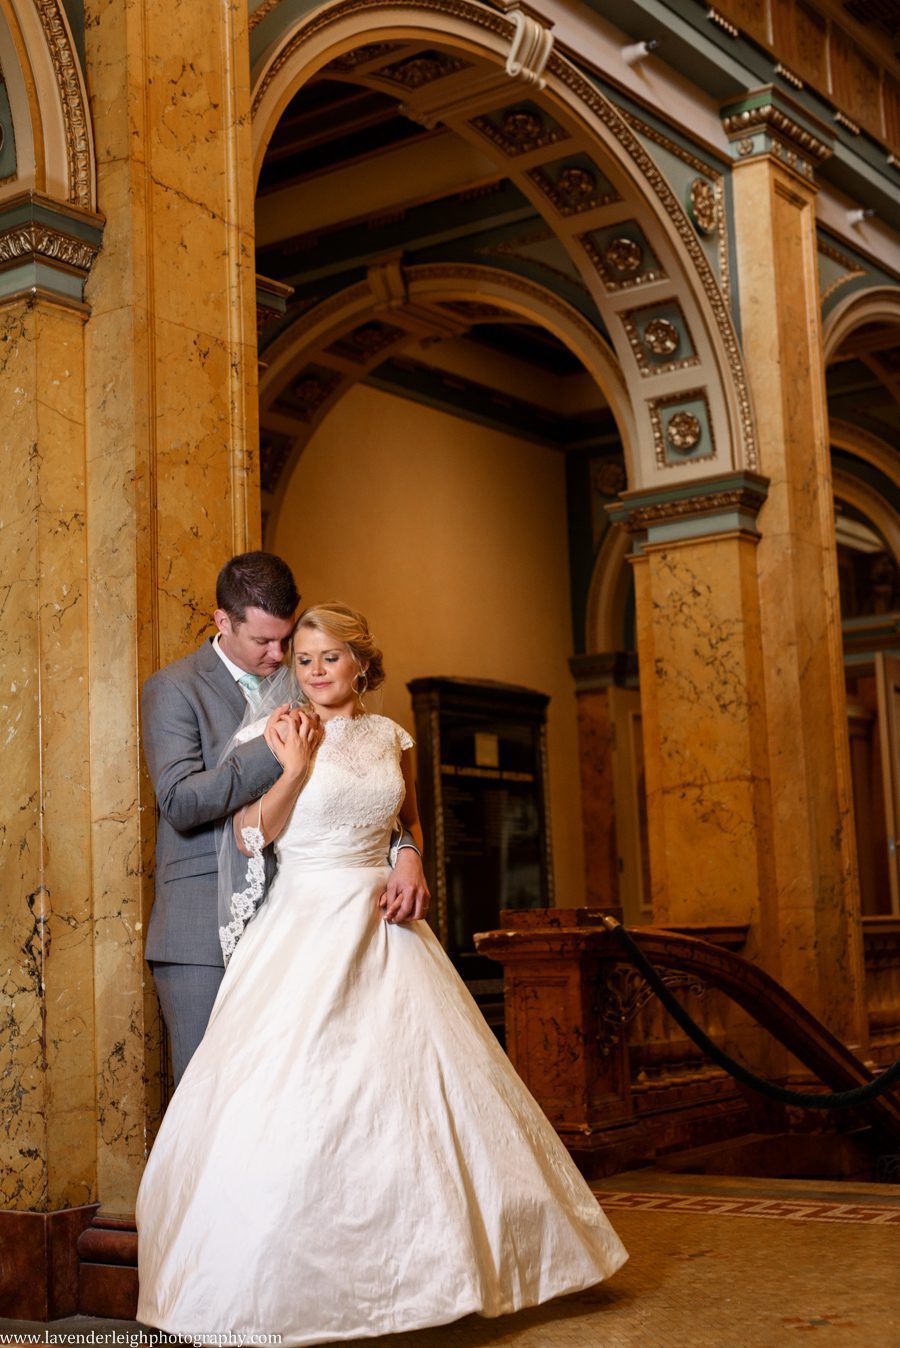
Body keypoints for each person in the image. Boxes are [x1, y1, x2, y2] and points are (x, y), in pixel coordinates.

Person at [136, 602, 627, 1344]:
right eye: (303, 660)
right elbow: (248, 836)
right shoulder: (277, 730)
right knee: (308, 1098)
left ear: (361, 664)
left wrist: (411, 858)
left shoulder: (391, 736)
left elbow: (409, 820)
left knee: (415, 1096)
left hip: (389, 927)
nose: (314, 672)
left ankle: (436, 1278)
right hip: (305, 923)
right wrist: (292, 768)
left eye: (329, 657)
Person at [141, 555, 429, 1083]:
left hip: (305, 927)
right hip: (202, 929)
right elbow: (179, 802)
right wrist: (276, 753)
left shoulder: (313, 690)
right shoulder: (176, 688)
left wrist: (407, 851)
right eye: (263, 642)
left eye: (286, 641)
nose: (279, 657)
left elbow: (360, 809)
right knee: (211, 1093)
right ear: (223, 622)